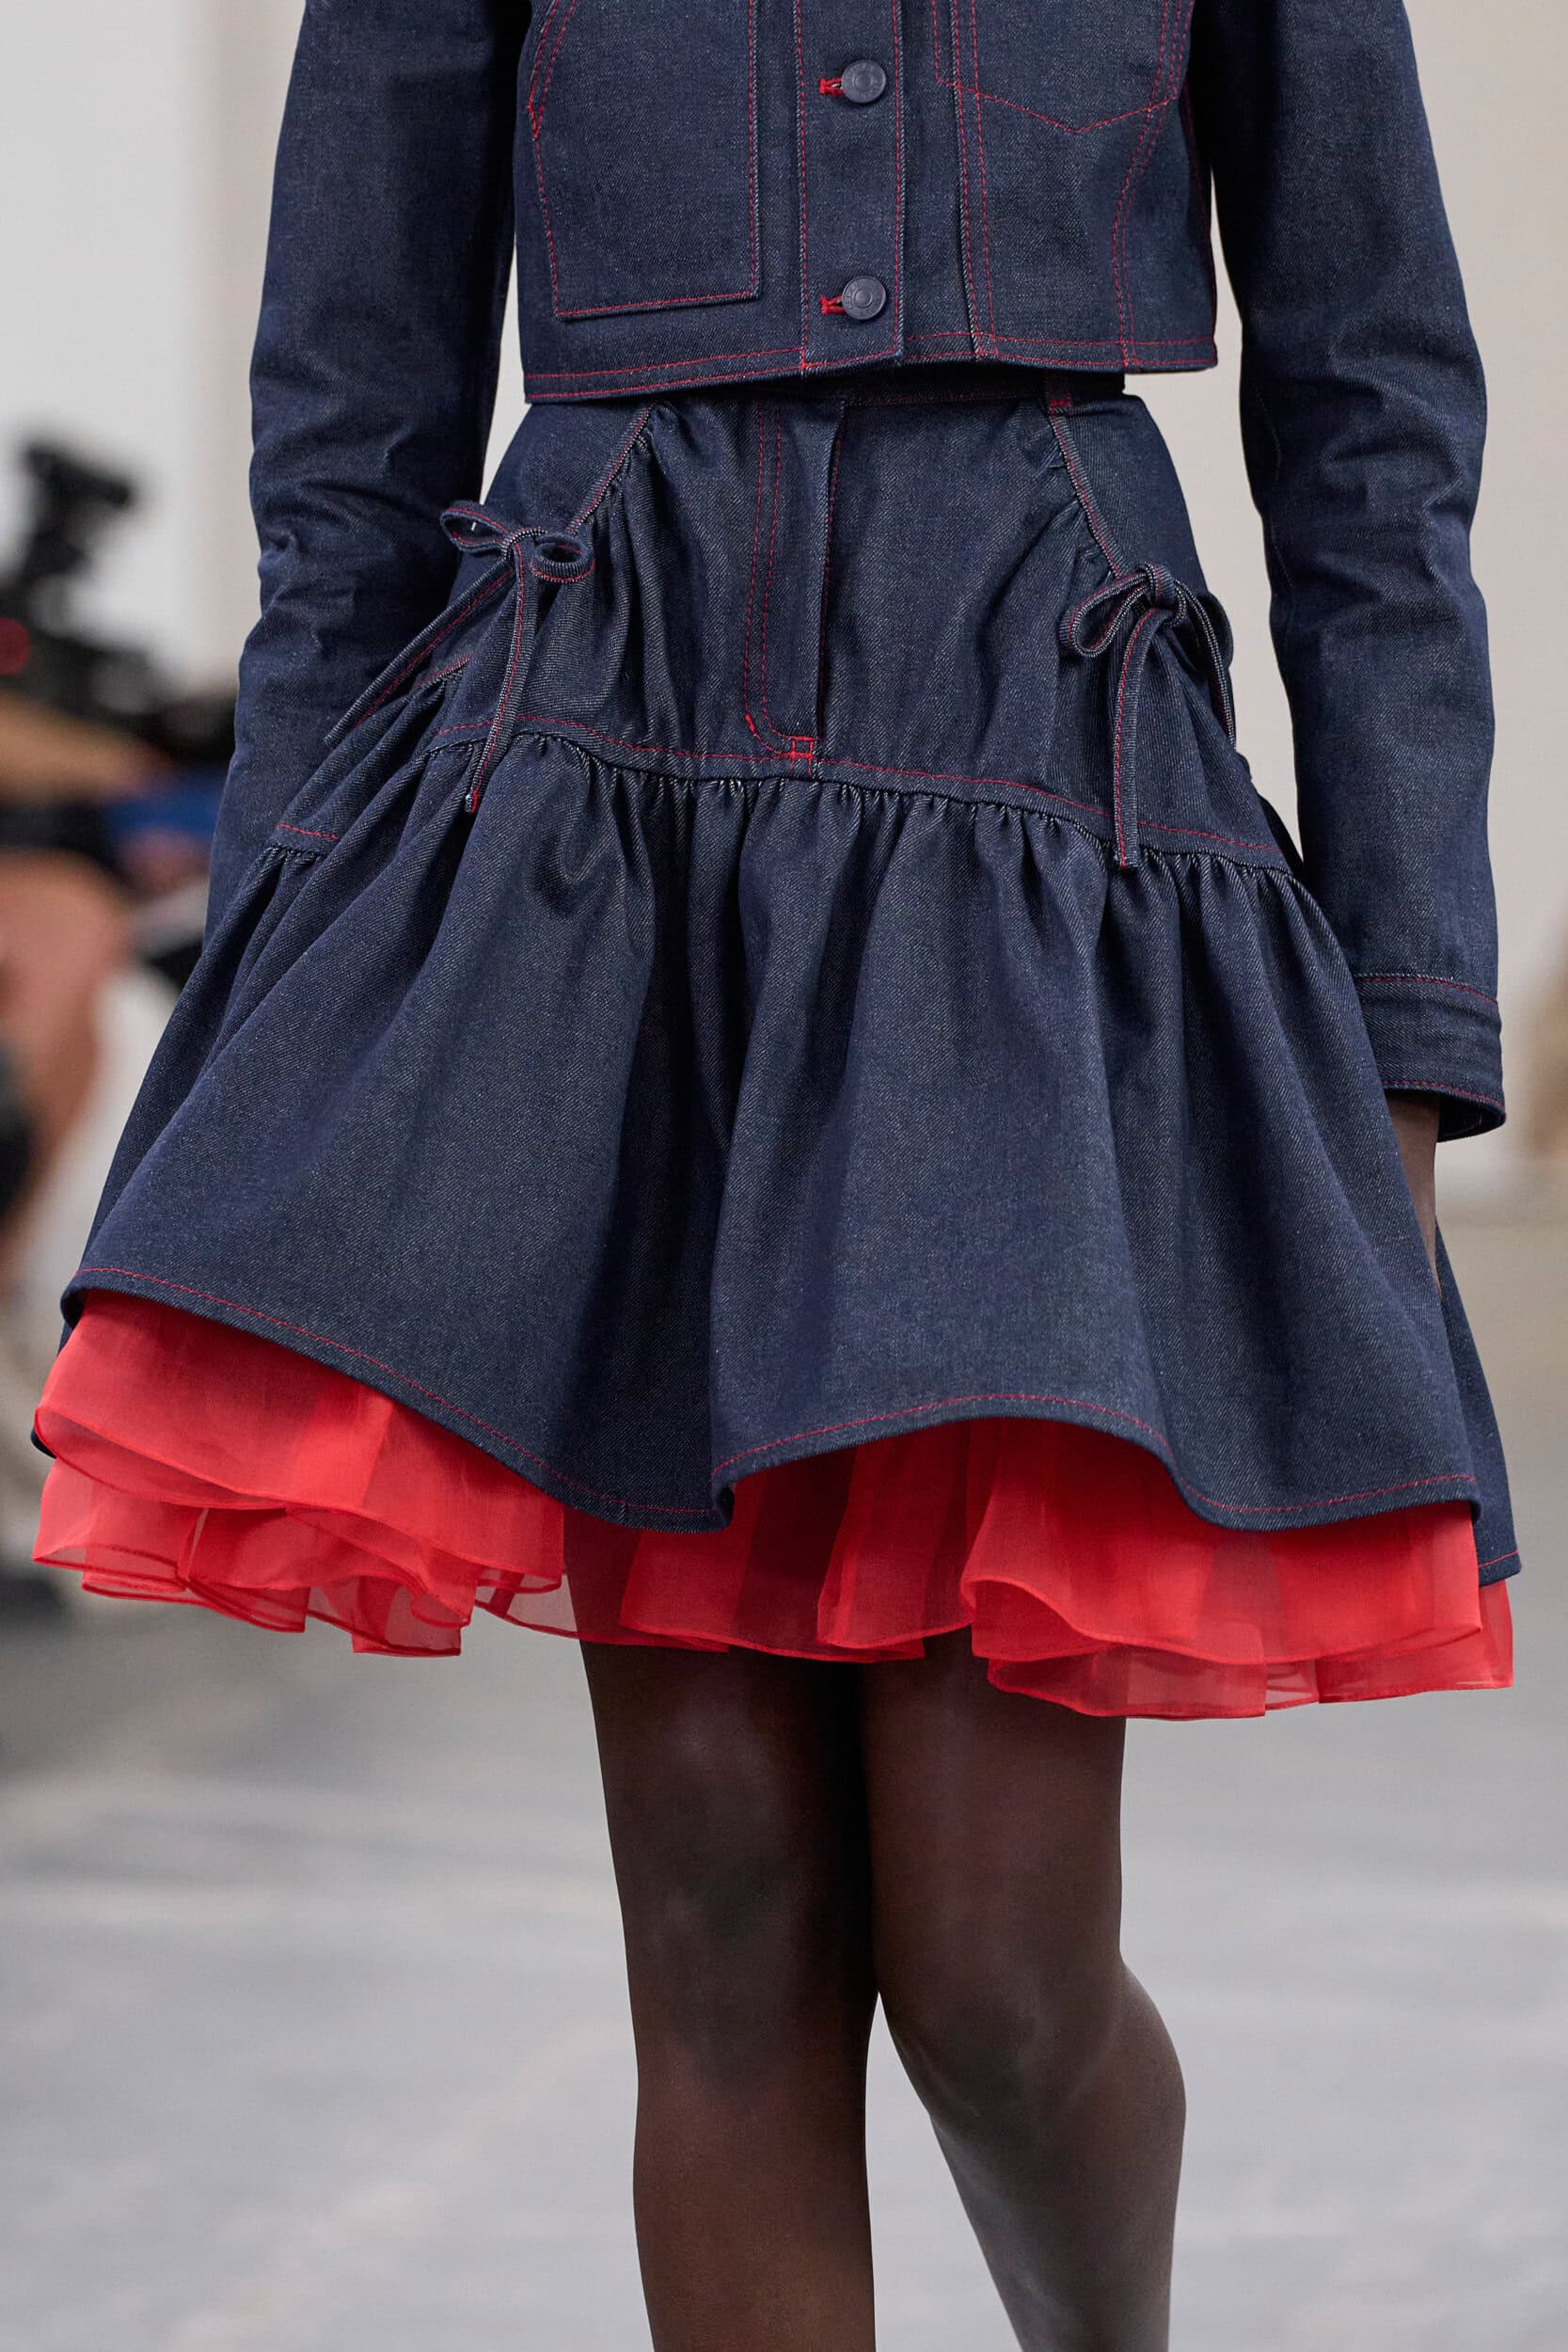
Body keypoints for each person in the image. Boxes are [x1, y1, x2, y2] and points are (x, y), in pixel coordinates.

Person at [31, 5, 1516, 2344]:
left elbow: (1377, 418)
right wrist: (294, 944)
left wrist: (1409, 1019)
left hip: (1044, 806)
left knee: (1000, 1975)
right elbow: (347, 421)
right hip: (603, 827)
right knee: (724, 1906)